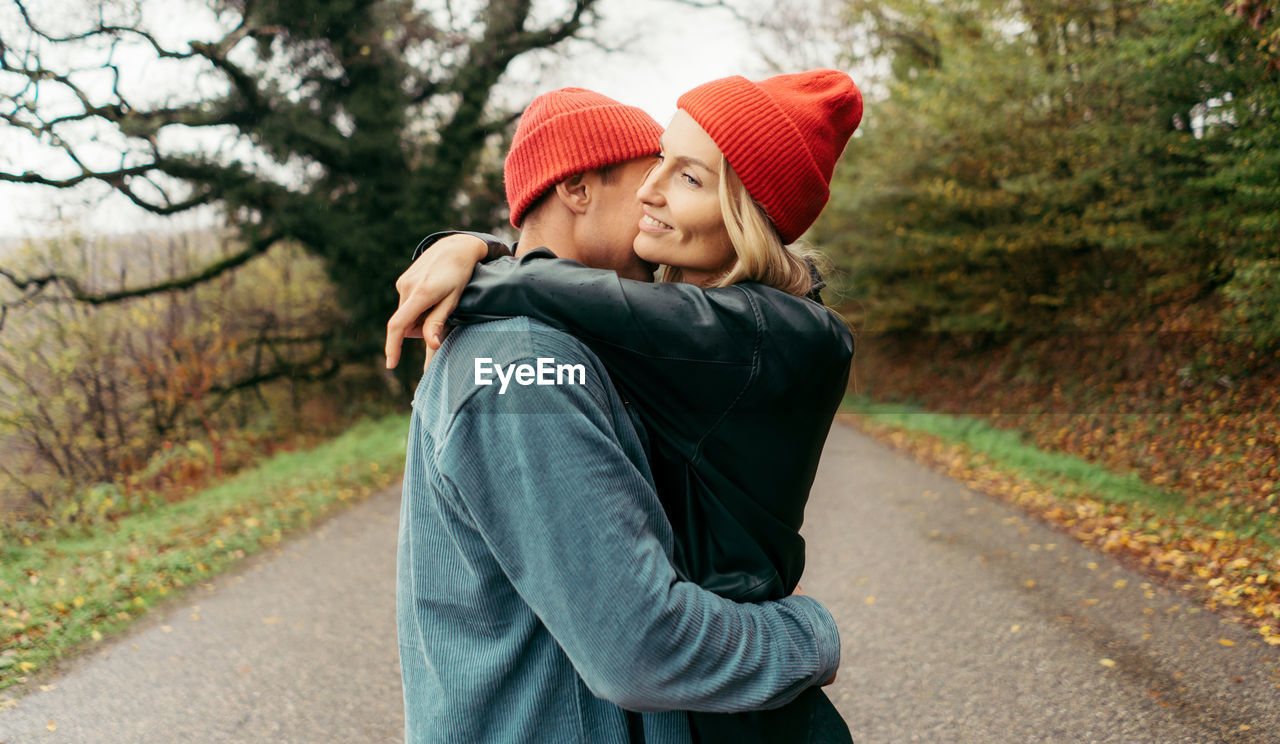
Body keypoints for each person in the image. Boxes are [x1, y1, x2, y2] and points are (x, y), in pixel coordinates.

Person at [388, 70, 863, 744]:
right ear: (577, 188)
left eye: (682, 177)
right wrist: (811, 635)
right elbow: (641, 646)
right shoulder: (523, 360)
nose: (651, 194)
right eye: (650, 169)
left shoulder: (723, 333)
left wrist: (482, 256)